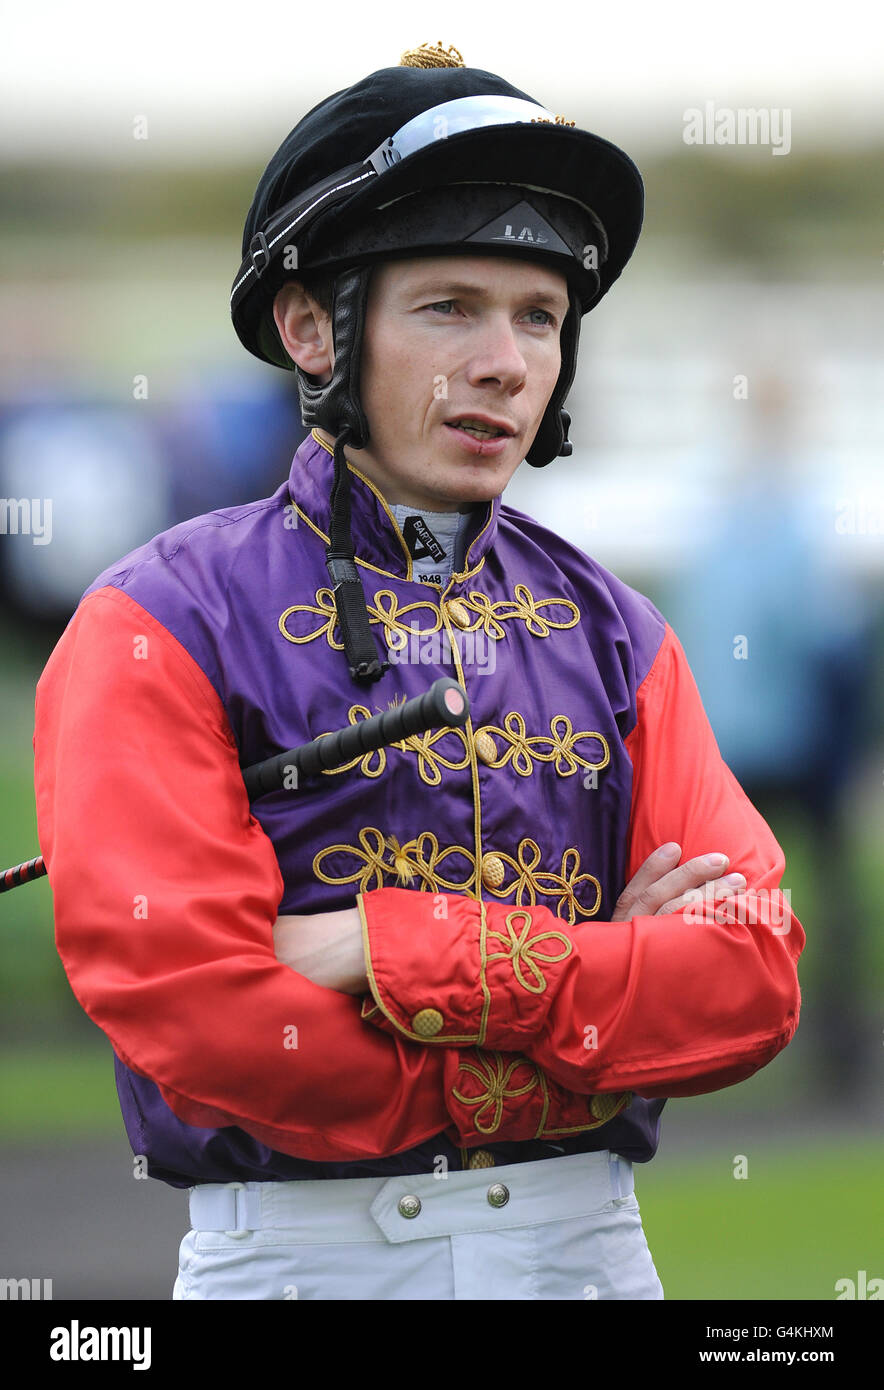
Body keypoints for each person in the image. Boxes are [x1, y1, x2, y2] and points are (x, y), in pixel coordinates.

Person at [33, 42, 804, 1302]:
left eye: (539, 316)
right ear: (308, 327)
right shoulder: (153, 617)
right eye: (449, 306)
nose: (504, 361)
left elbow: (748, 972)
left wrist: (389, 946)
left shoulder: (622, 629)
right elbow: (199, 1015)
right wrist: (599, 988)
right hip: (294, 1263)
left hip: (593, 1258)